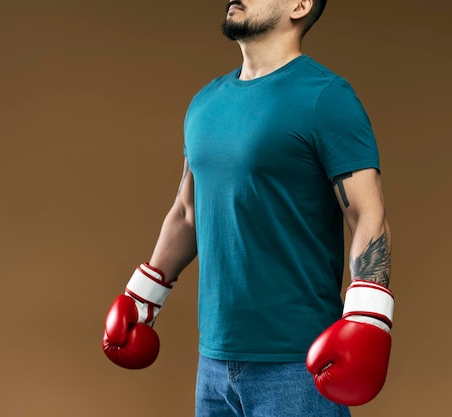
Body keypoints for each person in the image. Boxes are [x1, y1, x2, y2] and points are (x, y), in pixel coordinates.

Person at [102, 0, 395, 415]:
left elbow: (367, 213)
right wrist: (142, 297)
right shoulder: (204, 103)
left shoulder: (327, 98)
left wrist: (368, 317)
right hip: (214, 364)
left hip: (297, 365)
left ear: (300, 5)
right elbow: (187, 211)